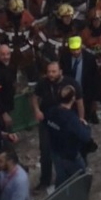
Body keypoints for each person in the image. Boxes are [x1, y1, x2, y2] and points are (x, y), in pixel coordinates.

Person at [30, 61, 85, 193]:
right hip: (47, 122)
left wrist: (81, 119)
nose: (50, 74)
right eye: (49, 72)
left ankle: (72, 178)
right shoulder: (43, 83)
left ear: (60, 72)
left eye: (54, 72)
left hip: (65, 123)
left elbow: (79, 102)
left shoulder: (71, 83)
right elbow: (34, 97)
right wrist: (37, 110)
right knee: (45, 151)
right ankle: (45, 180)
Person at [45, 85, 93, 188]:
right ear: (73, 98)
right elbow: (85, 137)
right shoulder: (71, 119)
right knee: (81, 181)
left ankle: (61, 196)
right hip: (70, 156)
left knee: (61, 180)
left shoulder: (51, 112)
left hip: (55, 152)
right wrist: (86, 126)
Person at [0, 0, 38, 89]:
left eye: (19, 13)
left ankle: (33, 87)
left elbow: (35, 30)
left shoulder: (27, 16)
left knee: (30, 67)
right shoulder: (4, 18)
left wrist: (32, 42)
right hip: (9, 48)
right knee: (10, 69)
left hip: (24, 47)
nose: (17, 15)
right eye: (15, 13)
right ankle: (10, 88)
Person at [60, 36, 101, 124]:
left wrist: (96, 96)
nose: (75, 52)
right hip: (70, 90)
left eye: (77, 49)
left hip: (86, 90)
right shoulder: (65, 58)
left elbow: (95, 78)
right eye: (73, 49)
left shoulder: (90, 59)